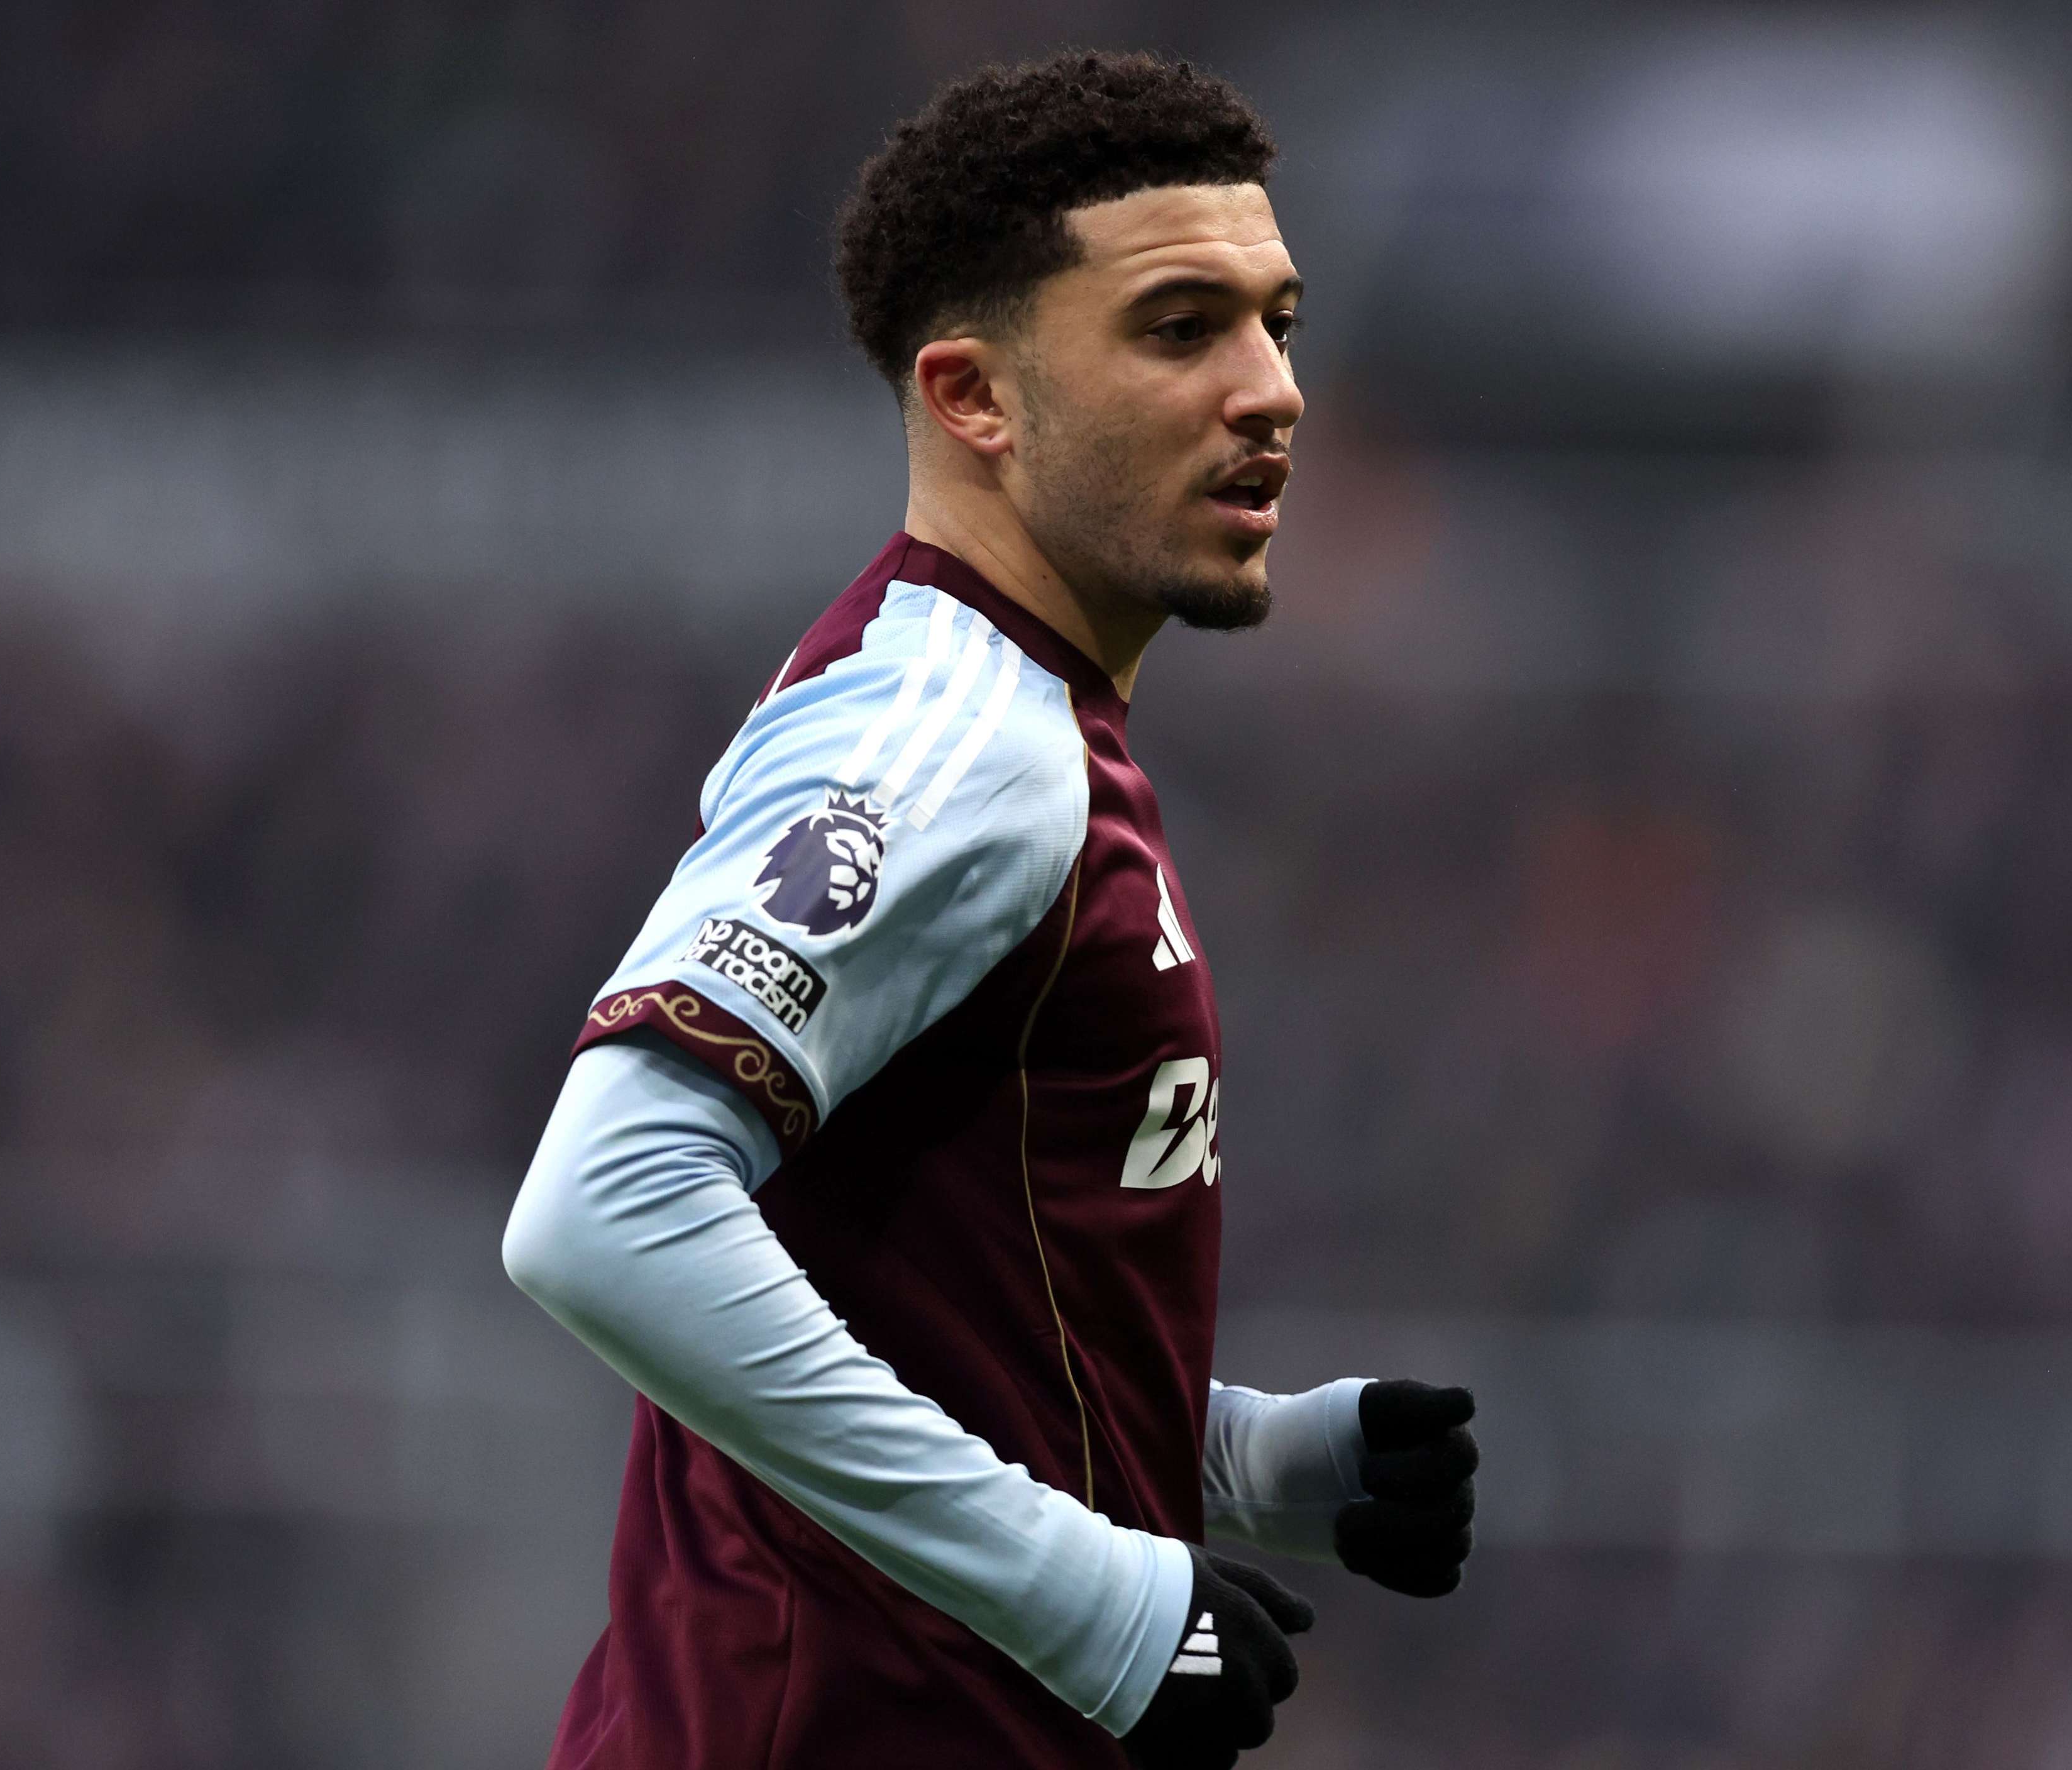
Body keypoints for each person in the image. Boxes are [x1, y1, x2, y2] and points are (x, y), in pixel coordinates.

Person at [500, 51, 1479, 1770]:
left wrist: (1245, 1463)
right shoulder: (951, 743)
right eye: (1180, 329)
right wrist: (1093, 1601)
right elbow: (606, 1205)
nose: (1272, 393)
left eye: (1278, 325)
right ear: (974, 398)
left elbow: (906, 1296)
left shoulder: (1019, 727)